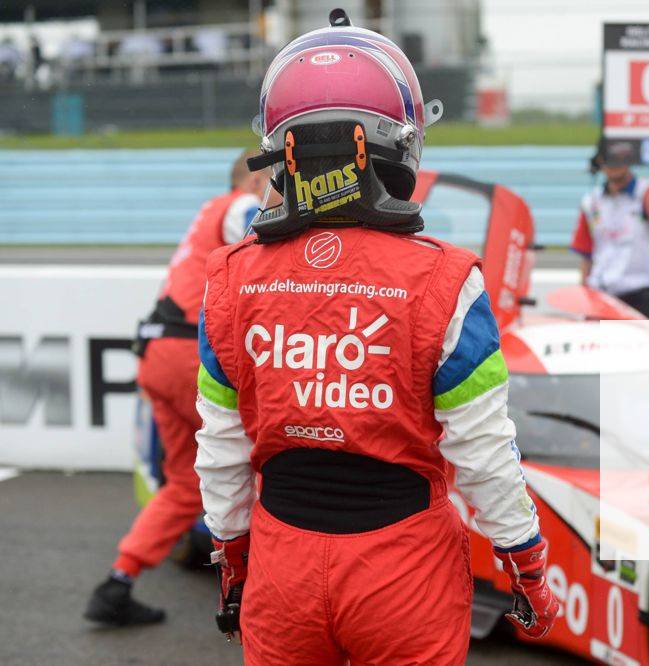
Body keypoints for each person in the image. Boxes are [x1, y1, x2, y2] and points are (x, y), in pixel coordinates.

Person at [194, 11, 559, 665]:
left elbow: (220, 454)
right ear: (400, 143)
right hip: (406, 571)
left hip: (281, 567)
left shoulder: (228, 278)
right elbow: (483, 453)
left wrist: (233, 564)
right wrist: (527, 567)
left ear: (279, 149)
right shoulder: (448, 278)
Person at [84, 150, 267, 626]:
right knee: (268, 459)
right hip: (189, 357)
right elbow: (265, 252)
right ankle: (263, 594)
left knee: (184, 482)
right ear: (259, 178)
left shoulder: (209, 210)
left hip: (159, 355)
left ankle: (117, 583)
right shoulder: (240, 206)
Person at [570, 141, 649, 319]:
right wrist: (584, 298)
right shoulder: (591, 201)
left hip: (640, 293)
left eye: (620, 159)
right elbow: (586, 255)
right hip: (601, 294)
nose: (614, 165)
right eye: (609, 159)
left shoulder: (647, 192)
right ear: (599, 163)